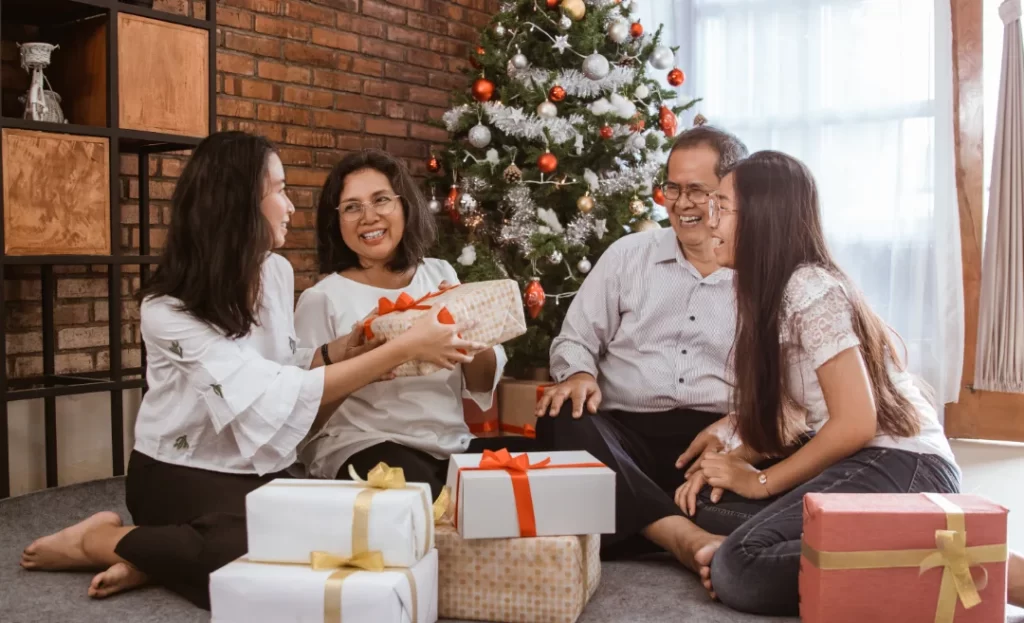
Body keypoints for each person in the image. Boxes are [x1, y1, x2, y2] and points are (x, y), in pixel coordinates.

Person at [18, 132, 485, 609]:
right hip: (179, 472)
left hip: (261, 466)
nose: (292, 207)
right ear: (241, 203)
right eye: (279, 190)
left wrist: (341, 350)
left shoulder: (276, 274)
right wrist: (398, 350)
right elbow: (263, 397)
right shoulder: (166, 310)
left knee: (326, 545)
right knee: (242, 555)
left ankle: (150, 556)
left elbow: (285, 371)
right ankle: (100, 540)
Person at [672, 149, 991, 615]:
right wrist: (734, 462)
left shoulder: (810, 287)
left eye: (721, 205)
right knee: (702, 507)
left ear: (763, 217)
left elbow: (857, 423)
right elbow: (797, 412)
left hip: (903, 465)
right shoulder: (772, 294)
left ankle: (944, 556)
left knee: (740, 568)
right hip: (866, 462)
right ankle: (907, 546)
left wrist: (760, 481)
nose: (708, 218)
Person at [534, 125, 749, 565]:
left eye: (697, 189)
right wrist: (577, 375)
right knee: (562, 416)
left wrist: (736, 431)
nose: (681, 202)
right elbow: (574, 339)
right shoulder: (627, 255)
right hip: (623, 436)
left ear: (731, 192)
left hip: (714, 440)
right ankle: (683, 538)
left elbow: (789, 392)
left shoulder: (762, 273)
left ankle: (632, 524)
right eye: (672, 187)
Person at [295, 149, 535, 499]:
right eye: (351, 206)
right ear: (336, 222)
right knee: (432, 503)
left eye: (381, 200)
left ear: (405, 206)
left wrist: (470, 330)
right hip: (363, 446)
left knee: (526, 483)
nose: (369, 216)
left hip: (451, 444)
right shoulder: (322, 298)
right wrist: (372, 359)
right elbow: (303, 413)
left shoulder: (438, 274)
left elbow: (481, 382)